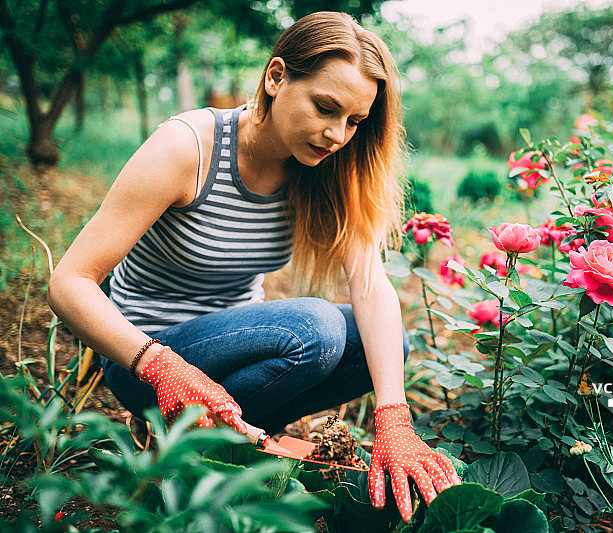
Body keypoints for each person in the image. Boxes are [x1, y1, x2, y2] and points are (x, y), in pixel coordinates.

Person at [47, 11, 459, 523]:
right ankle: (171, 432)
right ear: (277, 77)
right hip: (144, 358)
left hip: (234, 356)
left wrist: (394, 417)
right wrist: (162, 366)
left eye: (354, 122)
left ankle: (210, 445)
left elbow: (371, 290)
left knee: (385, 346)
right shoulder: (188, 147)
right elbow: (69, 283)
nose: (336, 134)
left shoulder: (323, 168)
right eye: (326, 107)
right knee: (316, 329)